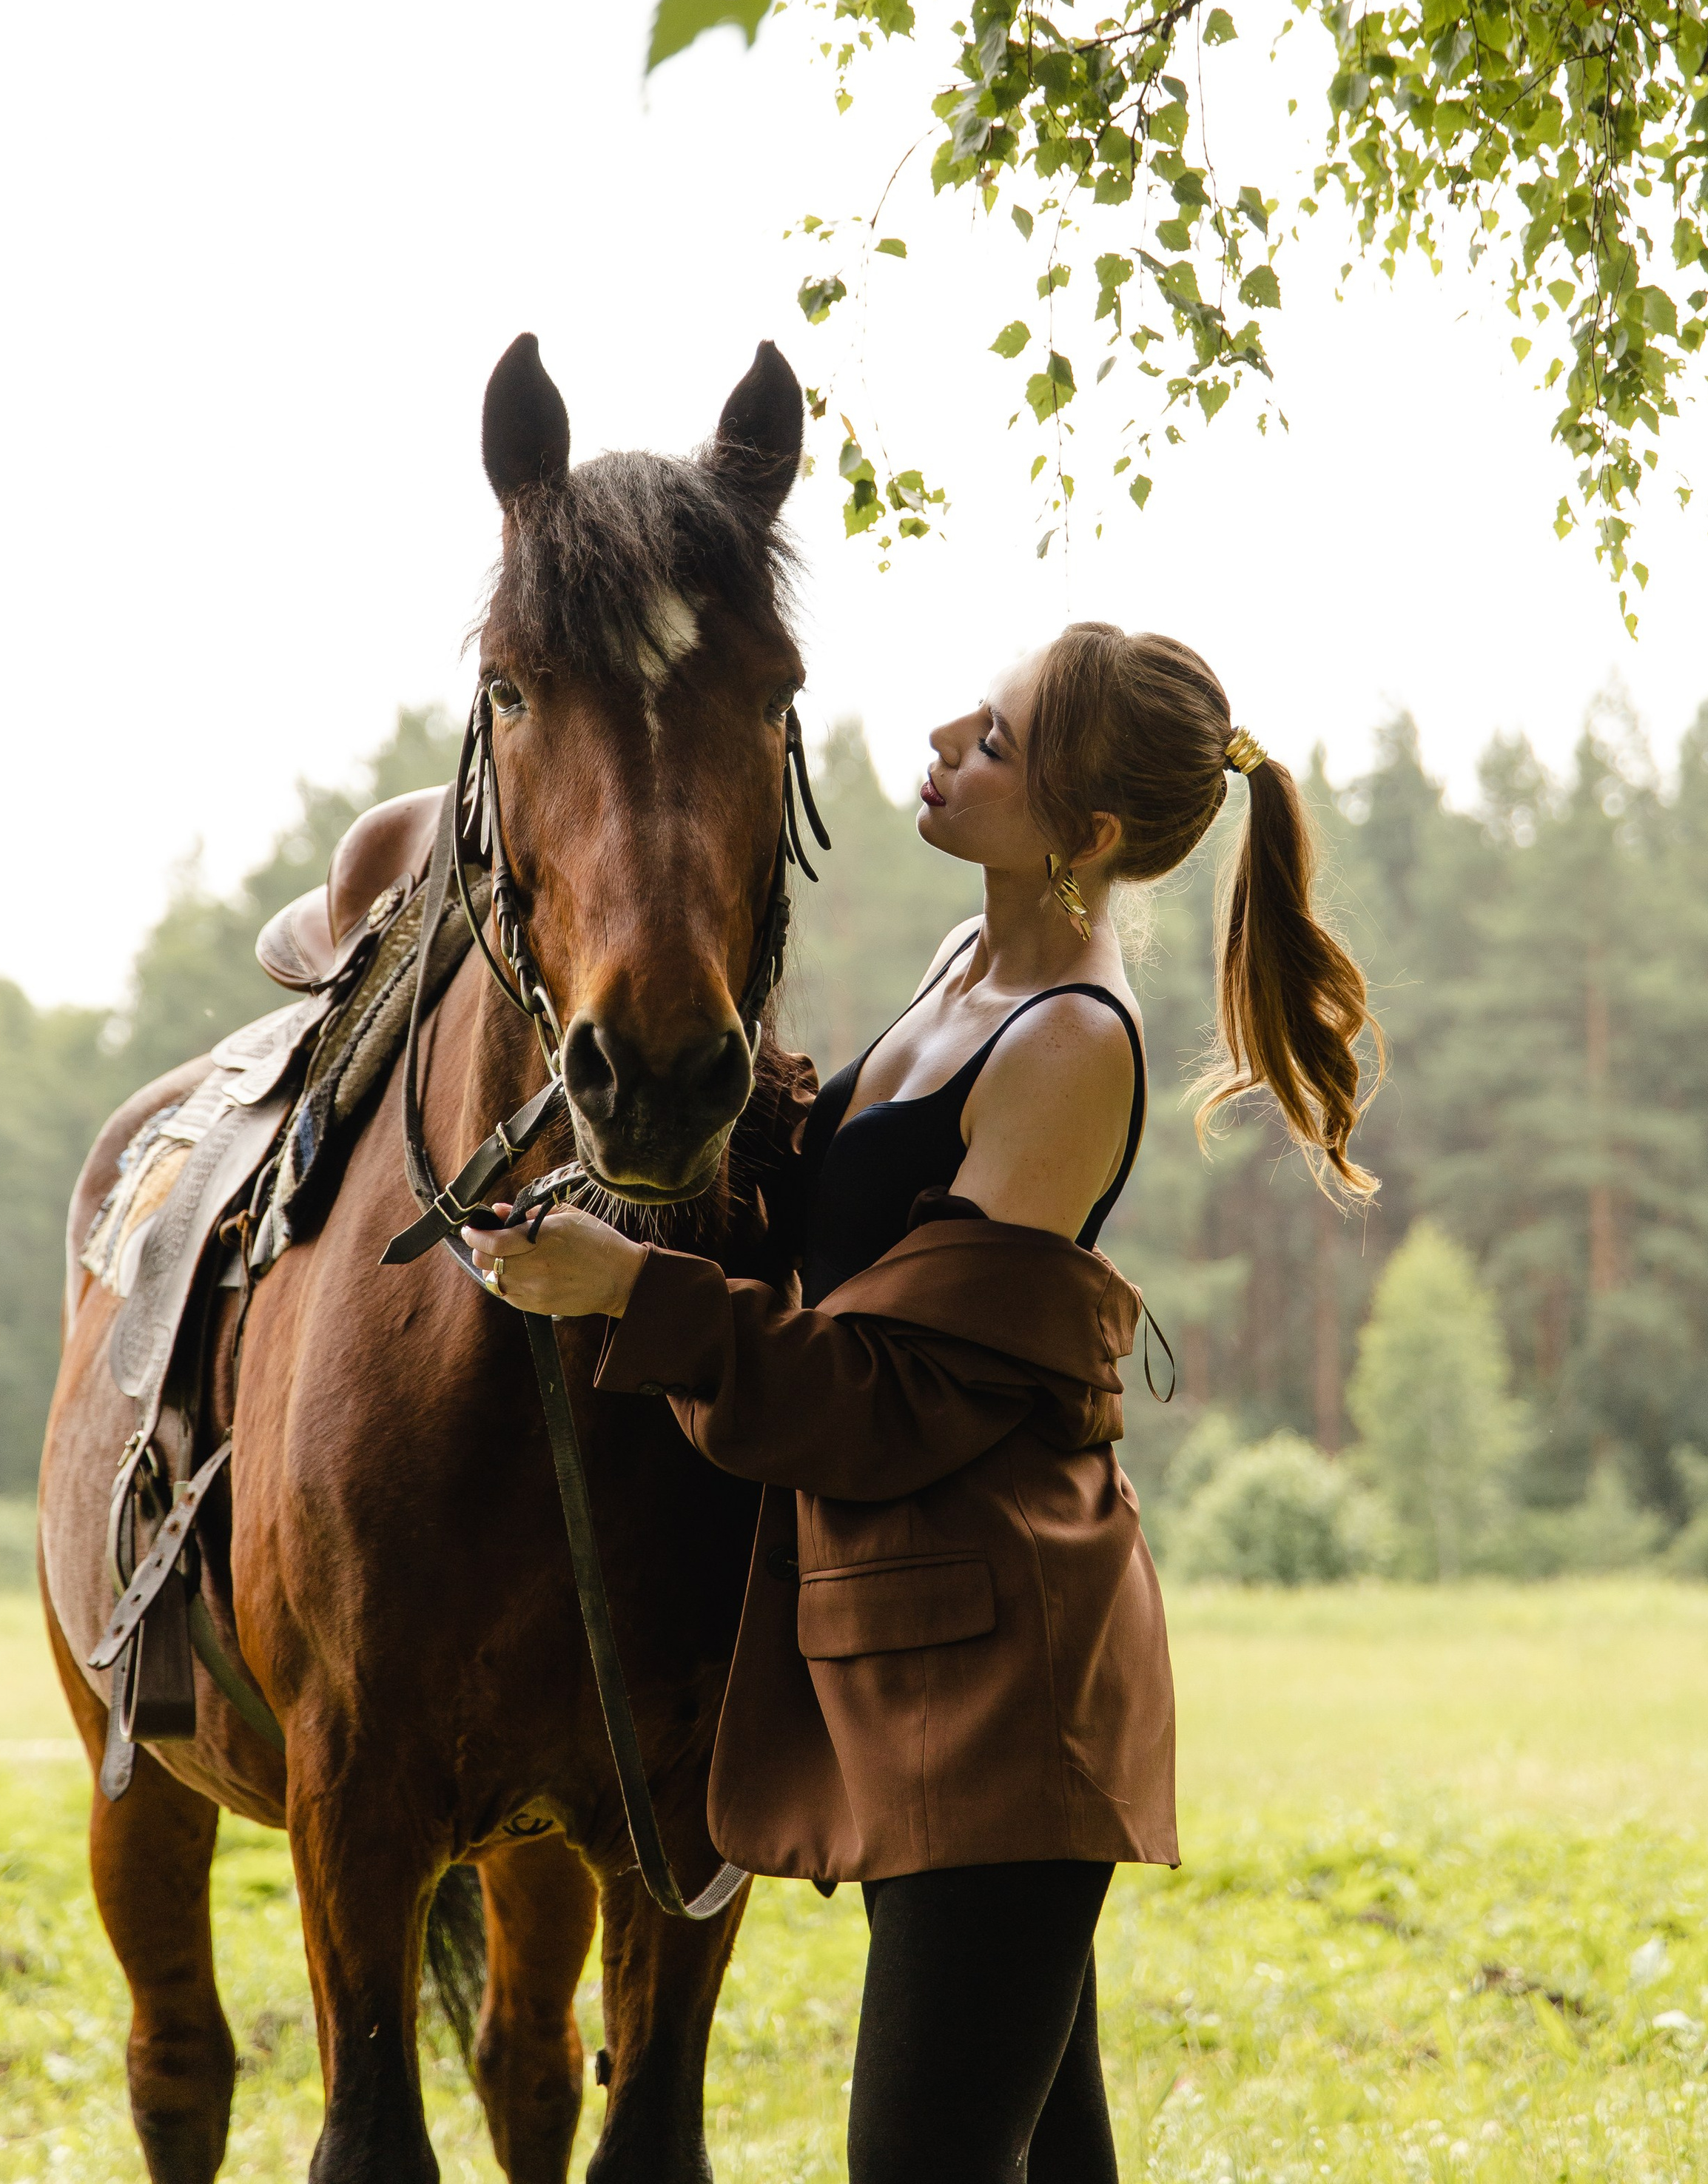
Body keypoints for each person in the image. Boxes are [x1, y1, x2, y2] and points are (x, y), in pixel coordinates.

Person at [472, 622, 1375, 2183]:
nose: (951, 734)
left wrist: (630, 1292)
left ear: (1084, 839)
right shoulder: (971, 965)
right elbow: (859, 1229)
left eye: (1001, 740)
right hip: (912, 1653)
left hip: (1004, 1686)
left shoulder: (1068, 1047)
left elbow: (897, 1396)